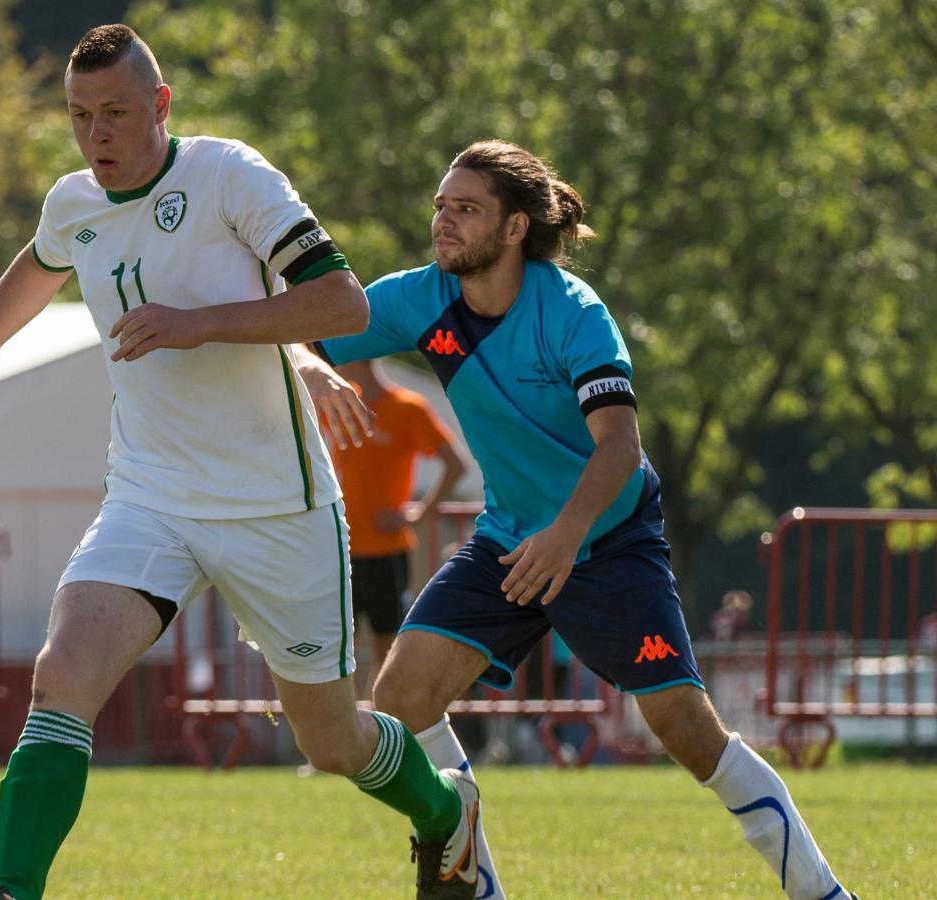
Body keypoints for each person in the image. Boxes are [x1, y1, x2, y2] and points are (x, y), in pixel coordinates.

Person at [0, 25, 477, 900]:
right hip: (152, 497)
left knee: (331, 743)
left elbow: (341, 297)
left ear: (161, 105)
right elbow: (40, 263)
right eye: (79, 117)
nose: (96, 134)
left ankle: (446, 815)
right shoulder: (74, 202)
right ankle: (13, 891)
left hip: (274, 506)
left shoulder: (228, 176)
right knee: (62, 676)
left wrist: (198, 321)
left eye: (115, 113)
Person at [298, 139, 855, 899]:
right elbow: (308, 326)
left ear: (517, 227)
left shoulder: (573, 313)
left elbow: (621, 447)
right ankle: (476, 882)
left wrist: (565, 536)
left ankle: (824, 894)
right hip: (508, 537)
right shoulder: (418, 298)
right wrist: (308, 365)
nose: (443, 222)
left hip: (611, 544)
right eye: (440, 206)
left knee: (690, 736)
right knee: (399, 701)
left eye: (466, 209)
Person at [326, 359, 467, 697]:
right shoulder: (332, 405)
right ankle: (346, 734)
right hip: (337, 550)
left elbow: (456, 464)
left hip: (385, 552)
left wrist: (417, 514)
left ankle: (387, 729)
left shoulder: (407, 407)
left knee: (387, 648)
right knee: (336, 651)